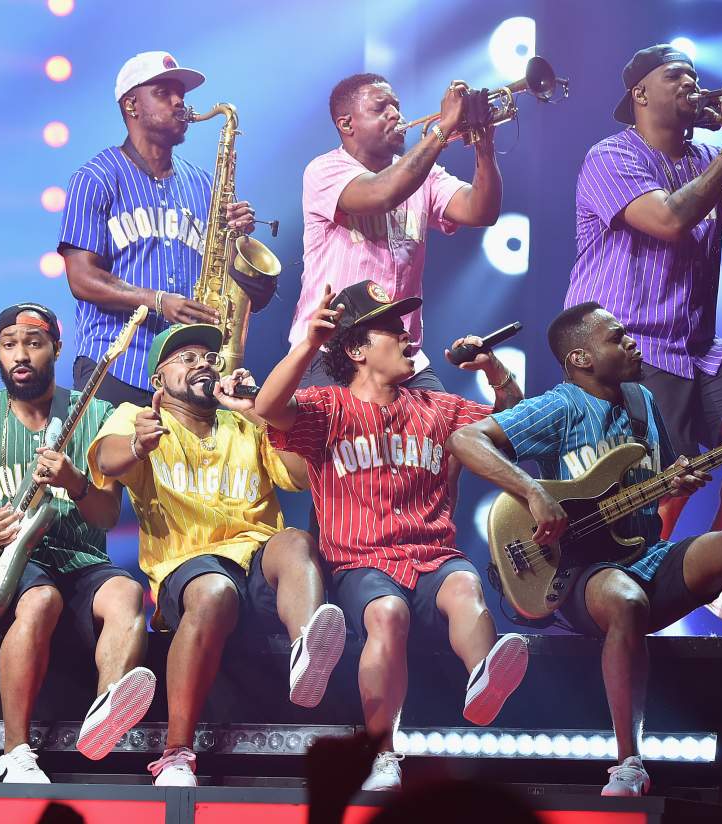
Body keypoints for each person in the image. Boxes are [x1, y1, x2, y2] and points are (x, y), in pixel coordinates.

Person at [447, 303, 722, 797]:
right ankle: (628, 765)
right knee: (624, 599)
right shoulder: (560, 406)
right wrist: (535, 494)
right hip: (573, 572)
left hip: (640, 557)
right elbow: (465, 438)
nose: (632, 344)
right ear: (581, 357)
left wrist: (672, 481)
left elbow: (641, 490)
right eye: (617, 338)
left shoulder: (643, 401)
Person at [255, 279, 530, 791]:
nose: (408, 339)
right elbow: (270, 408)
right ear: (357, 349)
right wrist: (309, 344)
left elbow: (511, 424)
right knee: (387, 613)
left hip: (434, 554)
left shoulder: (437, 407)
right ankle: (383, 755)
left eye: (406, 330)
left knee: (465, 587)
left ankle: (484, 679)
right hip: (362, 561)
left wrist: (493, 370)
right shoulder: (327, 407)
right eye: (392, 331)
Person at [87, 323, 346, 787]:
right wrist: (136, 445)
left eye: (208, 357)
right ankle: (175, 755)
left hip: (257, 560)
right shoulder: (137, 415)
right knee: (214, 591)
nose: (203, 363)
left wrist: (257, 411)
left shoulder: (243, 422)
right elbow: (105, 460)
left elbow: (302, 476)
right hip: (189, 564)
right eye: (187, 358)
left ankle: (308, 650)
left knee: (297, 544)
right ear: (158, 380)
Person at [566, 44, 722, 546]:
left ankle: (715, 560)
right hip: (627, 342)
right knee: (668, 484)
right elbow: (668, 219)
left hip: (693, 344)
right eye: (676, 76)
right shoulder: (610, 156)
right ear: (640, 92)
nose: (692, 83)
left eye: (694, 75)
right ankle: (643, 584)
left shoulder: (709, 158)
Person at [0, 302, 153, 783]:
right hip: (11, 568)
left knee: (128, 594)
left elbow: (108, 516)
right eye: (10, 345)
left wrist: (75, 482)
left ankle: (106, 708)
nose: (21, 354)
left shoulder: (96, 415)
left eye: (33, 342)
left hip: (82, 558)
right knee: (42, 599)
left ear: (55, 348)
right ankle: (14, 754)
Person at [59, 51, 262, 407]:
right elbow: (81, 278)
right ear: (132, 105)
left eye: (181, 93)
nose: (179, 101)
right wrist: (156, 301)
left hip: (189, 375)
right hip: (117, 365)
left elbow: (229, 284)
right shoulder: (94, 178)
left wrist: (238, 241)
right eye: (164, 92)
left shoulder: (202, 184)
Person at [290, 72, 504, 390]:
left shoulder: (424, 175)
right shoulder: (325, 170)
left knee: (449, 438)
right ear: (346, 125)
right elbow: (381, 193)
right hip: (332, 350)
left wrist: (483, 143)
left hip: (403, 355)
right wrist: (443, 128)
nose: (396, 115)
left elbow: (480, 210)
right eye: (380, 108)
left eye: (397, 106)